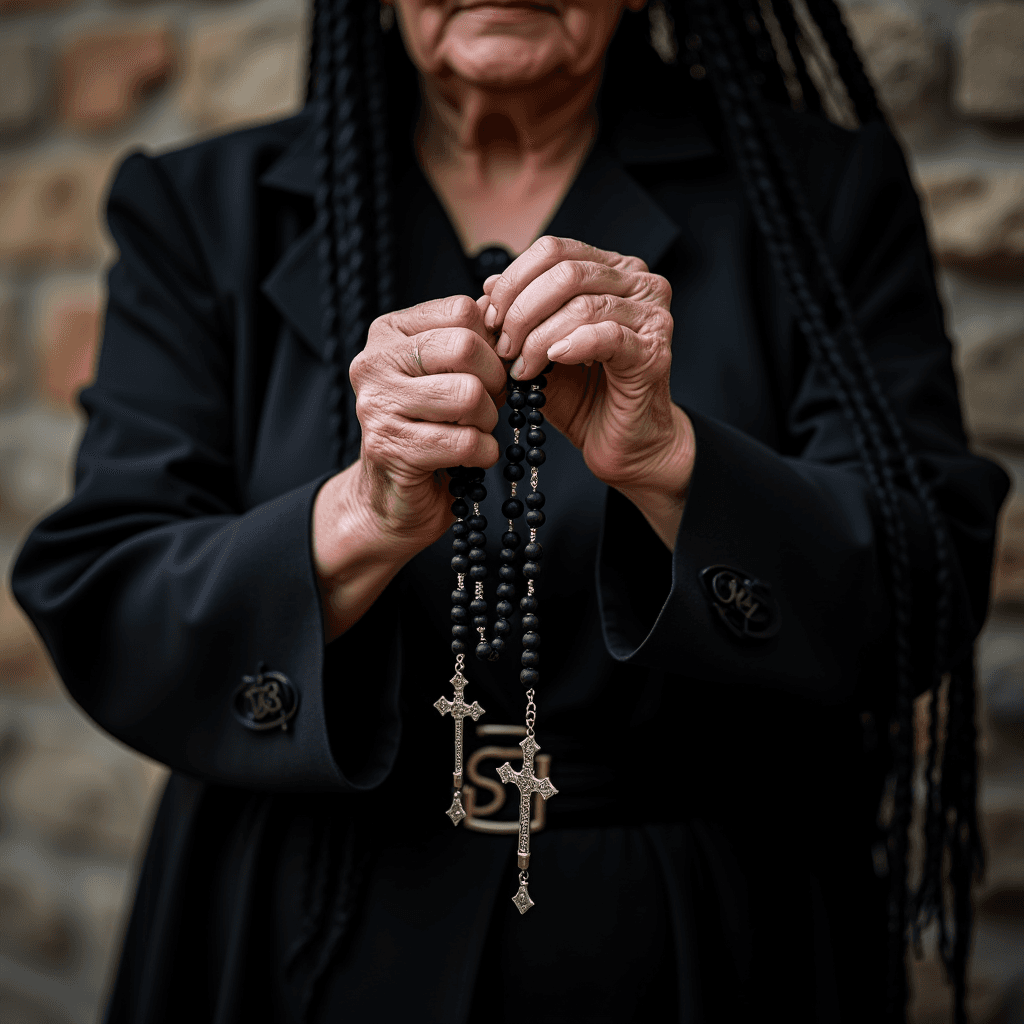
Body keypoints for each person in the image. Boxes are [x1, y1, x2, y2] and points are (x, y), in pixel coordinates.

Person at [10, 0, 1009, 1020]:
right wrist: (359, 516)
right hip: (297, 922)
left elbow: (918, 584)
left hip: (697, 932)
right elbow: (109, 597)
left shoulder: (819, 196)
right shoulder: (200, 210)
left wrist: (671, 463)